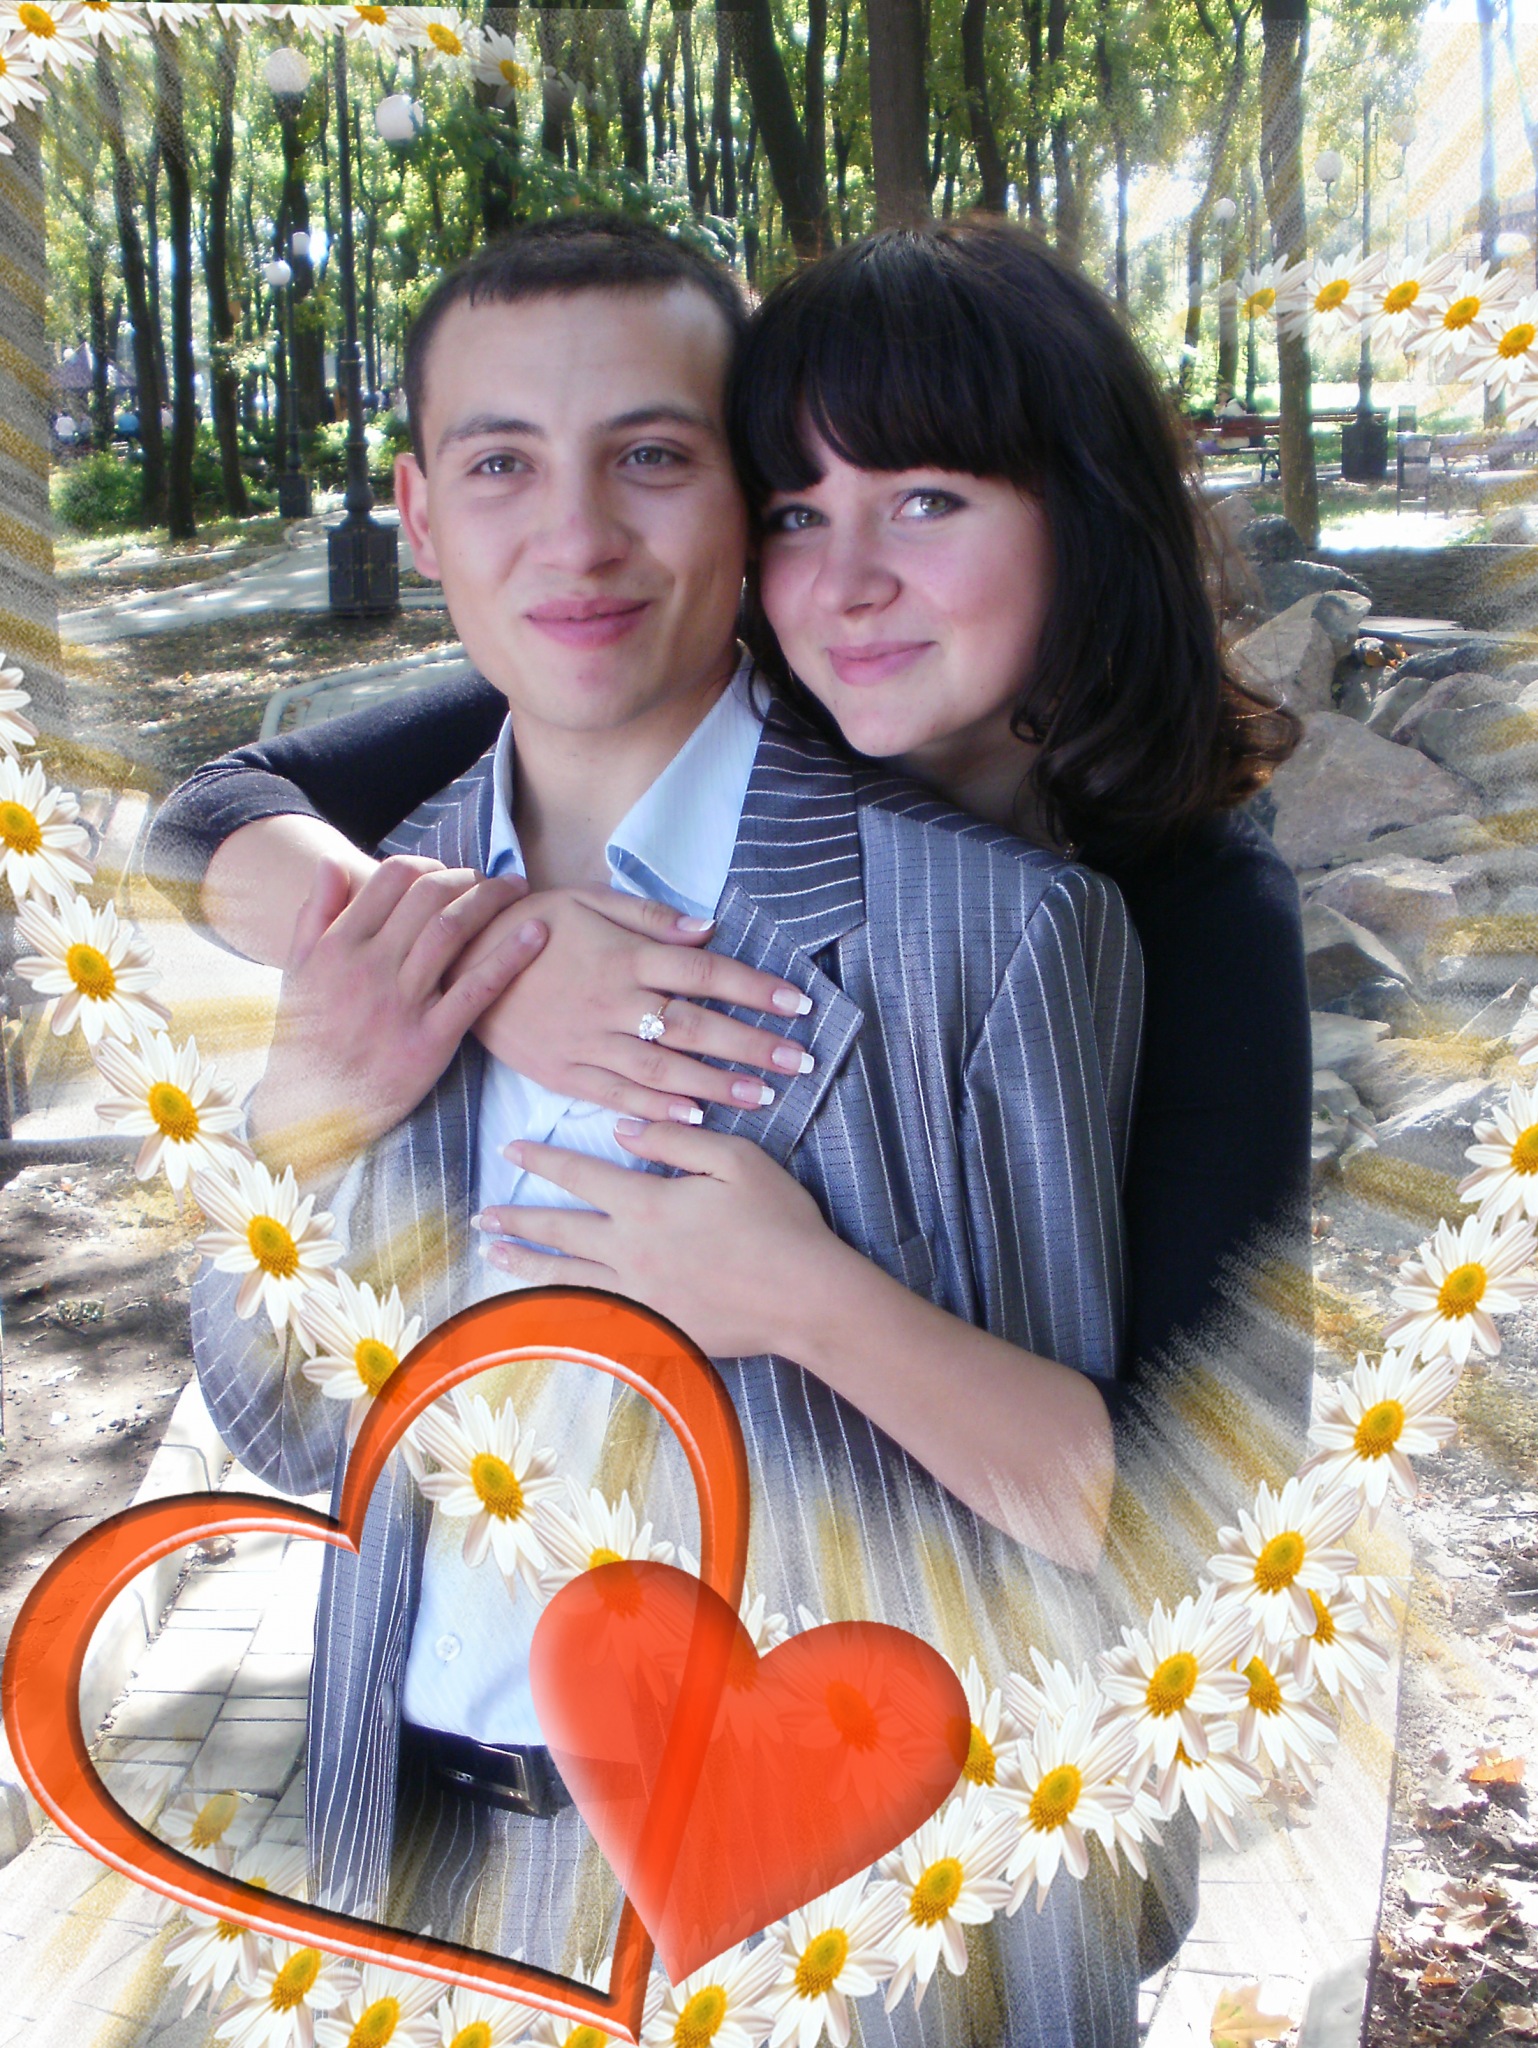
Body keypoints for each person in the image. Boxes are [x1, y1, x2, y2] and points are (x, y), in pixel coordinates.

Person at [164, 216, 1147, 2046]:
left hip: (849, 1915)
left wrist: (804, 1297)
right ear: (419, 511)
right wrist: (300, 1123)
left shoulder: (986, 932)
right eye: (500, 465)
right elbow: (285, 1425)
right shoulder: (371, 920)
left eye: (650, 456)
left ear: (744, 505)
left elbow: (1089, 1532)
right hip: (435, 1863)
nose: (577, 537)